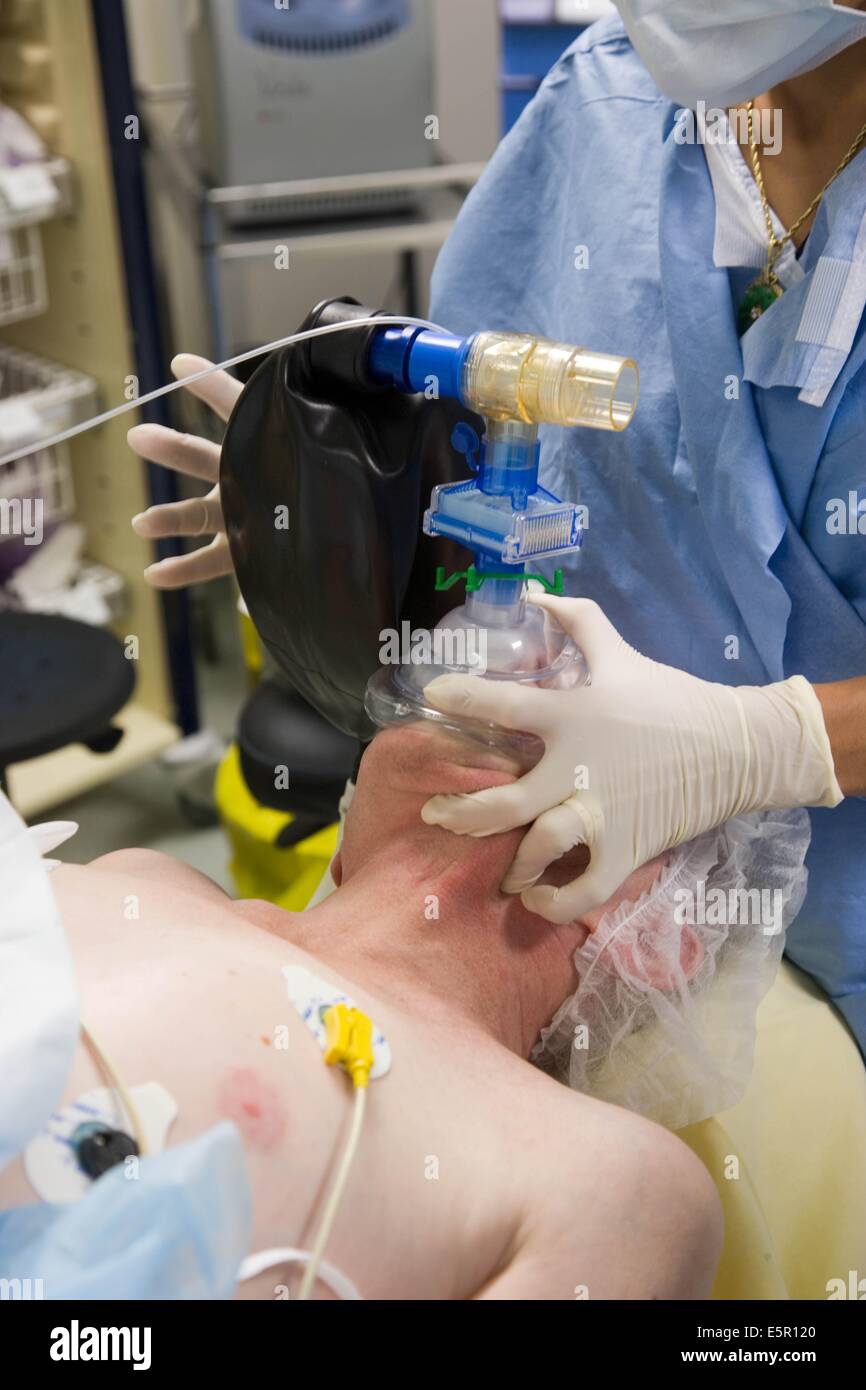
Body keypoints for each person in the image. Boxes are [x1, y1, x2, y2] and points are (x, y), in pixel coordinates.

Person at [129, 1, 866, 1056]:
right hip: (560, 876)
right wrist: (334, 518)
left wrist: (764, 746)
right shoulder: (607, 101)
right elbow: (508, 441)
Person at [0, 724, 722, 1300]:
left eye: (642, 726)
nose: (531, 667)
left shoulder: (617, 1187)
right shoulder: (148, 876)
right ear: (343, 840)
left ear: (656, 944)